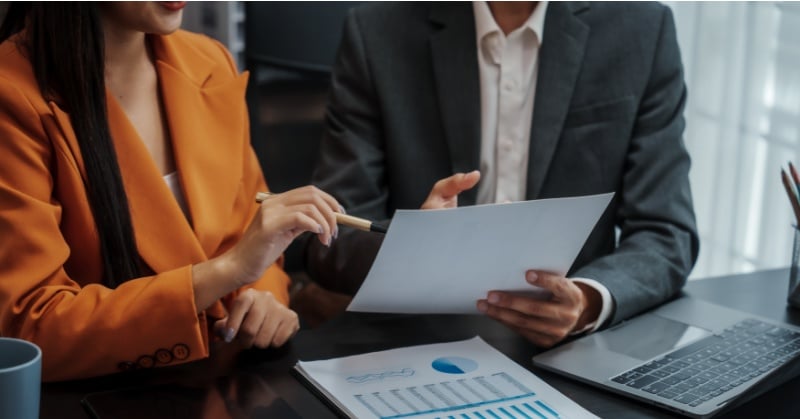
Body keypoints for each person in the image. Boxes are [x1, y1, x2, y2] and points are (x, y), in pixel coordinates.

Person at [306, 1, 699, 347]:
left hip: (570, 347)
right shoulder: (377, 33)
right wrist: (414, 246)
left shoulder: (641, 31)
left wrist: (587, 300)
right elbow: (329, 233)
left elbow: (665, 232)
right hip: (412, 341)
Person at [0, 2, 342, 381]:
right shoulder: (12, 93)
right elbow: (28, 328)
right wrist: (225, 271)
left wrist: (264, 301)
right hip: (104, 394)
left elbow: (250, 237)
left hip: (228, 381)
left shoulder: (208, 61)